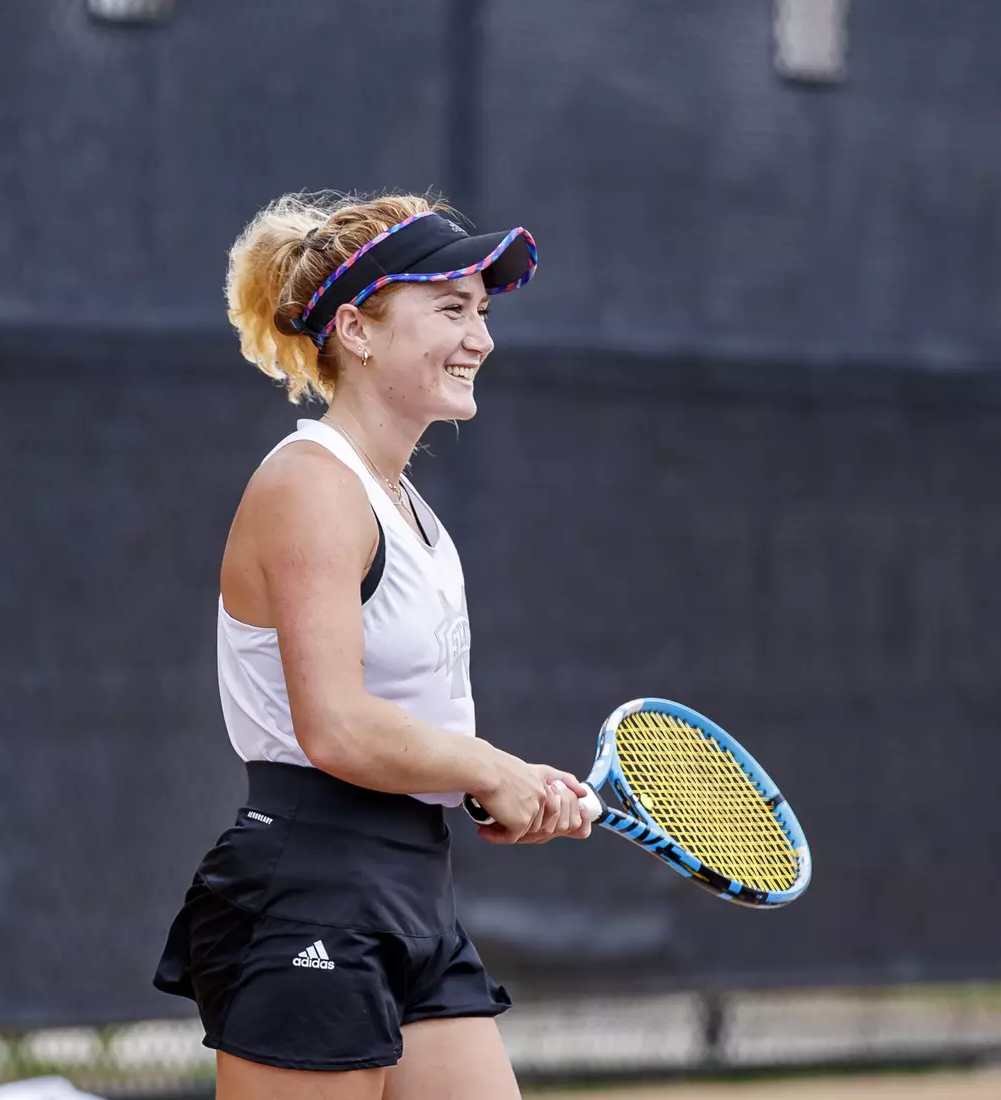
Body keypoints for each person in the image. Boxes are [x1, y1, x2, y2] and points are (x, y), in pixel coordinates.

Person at [153, 191, 590, 1100]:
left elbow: (411, 732)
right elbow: (337, 728)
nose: (482, 338)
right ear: (356, 328)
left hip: (414, 890)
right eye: (452, 309)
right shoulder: (310, 486)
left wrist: (495, 787)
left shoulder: (413, 512)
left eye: (483, 312)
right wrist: (487, 767)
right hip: (308, 887)